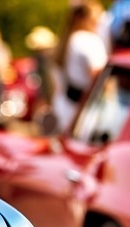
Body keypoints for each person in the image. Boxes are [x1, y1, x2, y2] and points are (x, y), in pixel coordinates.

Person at [52, 0, 108, 132]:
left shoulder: (69, 40)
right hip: (85, 113)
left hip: (65, 107)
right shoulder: (87, 40)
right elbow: (98, 74)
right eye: (96, 18)